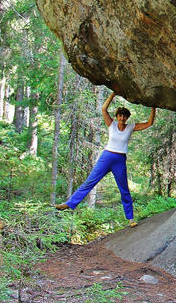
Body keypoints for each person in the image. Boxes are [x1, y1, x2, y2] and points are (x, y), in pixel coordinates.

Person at [55, 91, 156, 227]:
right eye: (120, 115)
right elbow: (104, 109)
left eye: (124, 116)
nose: (122, 118)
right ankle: (69, 203)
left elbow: (149, 123)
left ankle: (130, 219)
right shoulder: (112, 124)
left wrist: (153, 107)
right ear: (117, 116)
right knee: (90, 181)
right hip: (107, 156)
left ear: (127, 118)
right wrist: (113, 94)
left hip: (119, 160)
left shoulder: (131, 127)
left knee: (124, 189)